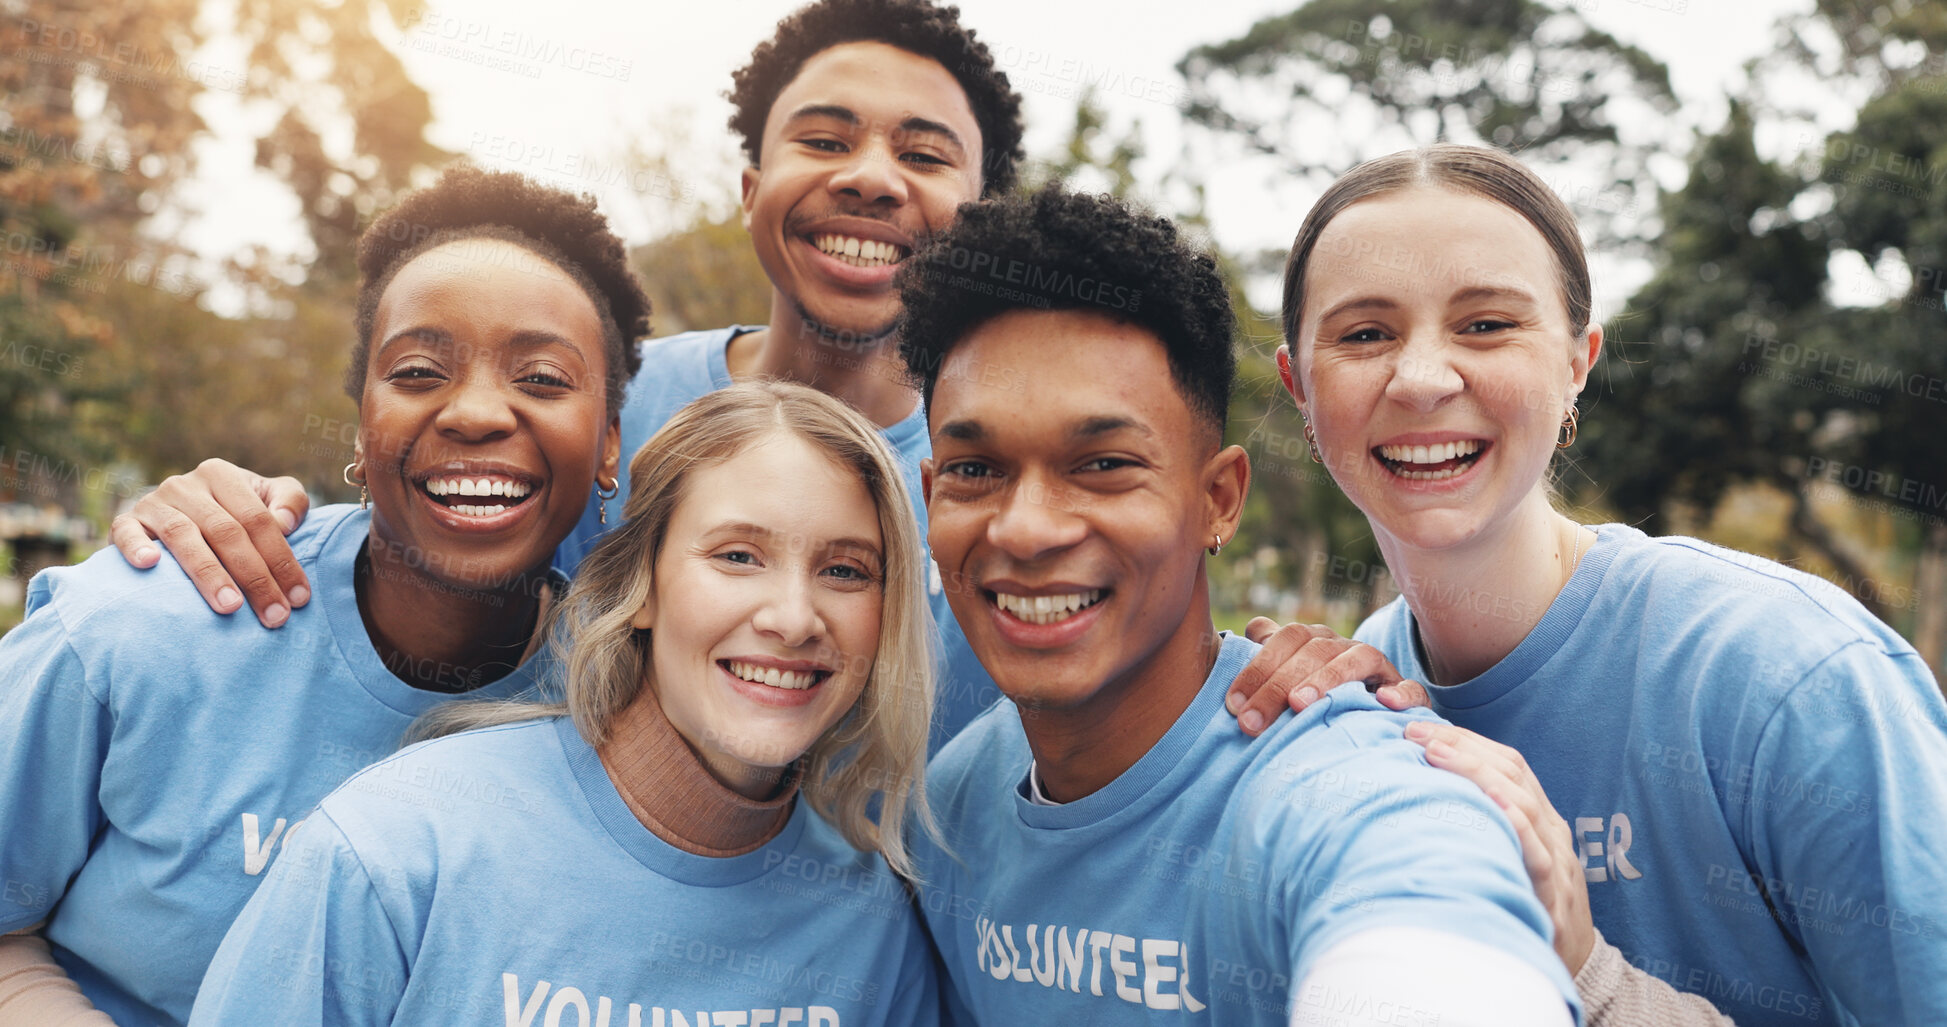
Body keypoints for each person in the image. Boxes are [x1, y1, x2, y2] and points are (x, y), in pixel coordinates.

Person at [100, 0, 1387, 755]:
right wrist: (228, 511)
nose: (872, 175)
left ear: (980, 209)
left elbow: (1128, 636)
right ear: (751, 188)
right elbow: (424, 513)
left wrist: (1289, 665)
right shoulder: (597, 400)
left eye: (925, 153)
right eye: (823, 138)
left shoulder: (1005, 487)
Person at [1268, 143, 1947, 1024]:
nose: (1423, 379)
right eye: (1364, 334)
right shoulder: (1350, 711)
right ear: (1297, 385)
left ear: (1578, 362)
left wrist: (1592, 979)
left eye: (1486, 324)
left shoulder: (1791, 675)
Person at [896, 184, 1580, 1025]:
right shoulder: (950, 807)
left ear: (1217, 498)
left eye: (1104, 464)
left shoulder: (1342, 784)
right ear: (930, 497)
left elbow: (1420, 915)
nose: (1027, 528)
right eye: (975, 470)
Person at [0, 165, 650, 1026]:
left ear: (608, 443)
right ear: (361, 421)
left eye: (541, 379)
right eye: (419, 370)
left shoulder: (629, 712)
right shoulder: (145, 624)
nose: (476, 412)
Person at [190, 381, 940, 1026]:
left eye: (845, 570)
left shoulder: (870, 916)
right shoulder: (398, 847)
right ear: (641, 586)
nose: (792, 616)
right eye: (737, 556)